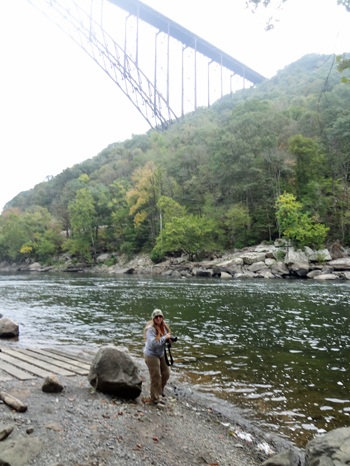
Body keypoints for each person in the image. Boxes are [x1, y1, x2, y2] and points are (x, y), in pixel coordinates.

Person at [144, 309, 172, 406]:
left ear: (162, 317)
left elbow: (165, 339)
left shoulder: (164, 327)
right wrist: (165, 338)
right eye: (156, 317)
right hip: (151, 355)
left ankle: (159, 391)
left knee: (166, 373)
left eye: (160, 316)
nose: (159, 318)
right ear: (153, 318)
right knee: (156, 376)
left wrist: (169, 340)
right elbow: (154, 344)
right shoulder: (150, 329)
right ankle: (155, 399)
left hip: (161, 353)